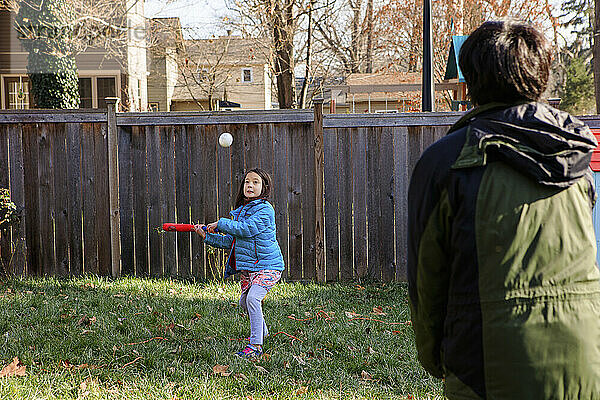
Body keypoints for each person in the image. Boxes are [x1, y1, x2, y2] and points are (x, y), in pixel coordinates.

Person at [407, 19, 600, 399]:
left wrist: (436, 359)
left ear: (472, 78)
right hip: (585, 360)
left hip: (485, 369)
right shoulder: (576, 156)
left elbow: (426, 278)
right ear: (540, 76)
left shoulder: (446, 161)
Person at [194, 168, 285, 359]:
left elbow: (247, 230)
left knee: (253, 299)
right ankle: (263, 332)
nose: (250, 185)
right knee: (244, 302)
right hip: (249, 269)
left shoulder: (265, 210)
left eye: (255, 182)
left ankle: (255, 345)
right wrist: (207, 236)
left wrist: (221, 223)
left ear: (265, 187)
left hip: (268, 265)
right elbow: (230, 241)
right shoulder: (241, 211)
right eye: (247, 182)